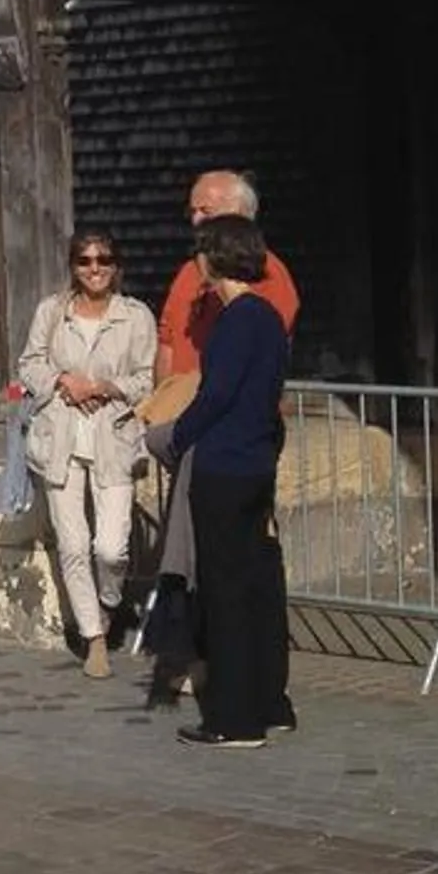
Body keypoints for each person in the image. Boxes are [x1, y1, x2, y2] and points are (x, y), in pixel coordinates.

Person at [151, 213, 292, 749]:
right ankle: (270, 702)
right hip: (256, 462)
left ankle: (235, 718)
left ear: (215, 257)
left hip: (225, 466)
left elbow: (217, 395)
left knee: (226, 593)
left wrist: (177, 435)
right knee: (256, 587)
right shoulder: (269, 318)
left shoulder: (237, 320)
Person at [17, 228, 157, 678]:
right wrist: (64, 382)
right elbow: (29, 364)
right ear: (73, 266)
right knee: (74, 544)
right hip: (60, 438)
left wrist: (104, 387)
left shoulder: (135, 316)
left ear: (116, 266)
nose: (94, 268)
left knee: (111, 548)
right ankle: (93, 637)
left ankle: (108, 602)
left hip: (113, 438)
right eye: (85, 260)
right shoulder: (52, 311)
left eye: (103, 260)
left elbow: (146, 379)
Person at [154, 170, 301, 385]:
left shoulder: (266, 271)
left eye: (206, 211)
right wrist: (163, 399)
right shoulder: (188, 271)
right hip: (180, 402)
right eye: (192, 211)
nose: (196, 220)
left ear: (238, 214)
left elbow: (262, 354)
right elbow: (167, 341)